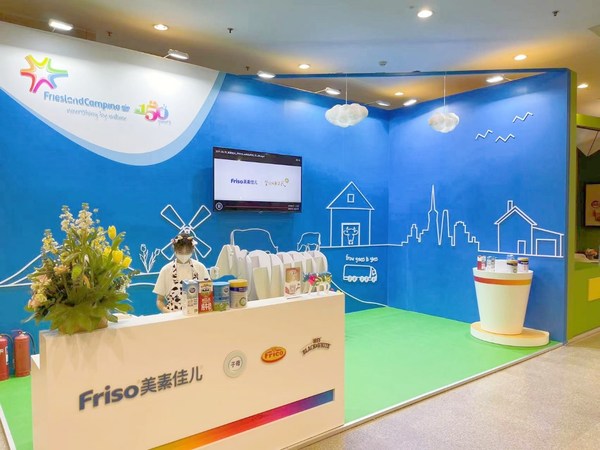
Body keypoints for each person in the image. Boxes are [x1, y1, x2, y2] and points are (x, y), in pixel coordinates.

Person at [153, 232, 210, 313]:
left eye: (187, 252)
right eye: (180, 252)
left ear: (193, 250)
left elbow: (208, 294)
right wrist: (168, 313)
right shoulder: (166, 270)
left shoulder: (200, 267)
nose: (184, 255)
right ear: (174, 249)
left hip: (196, 315)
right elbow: (160, 300)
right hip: (173, 316)